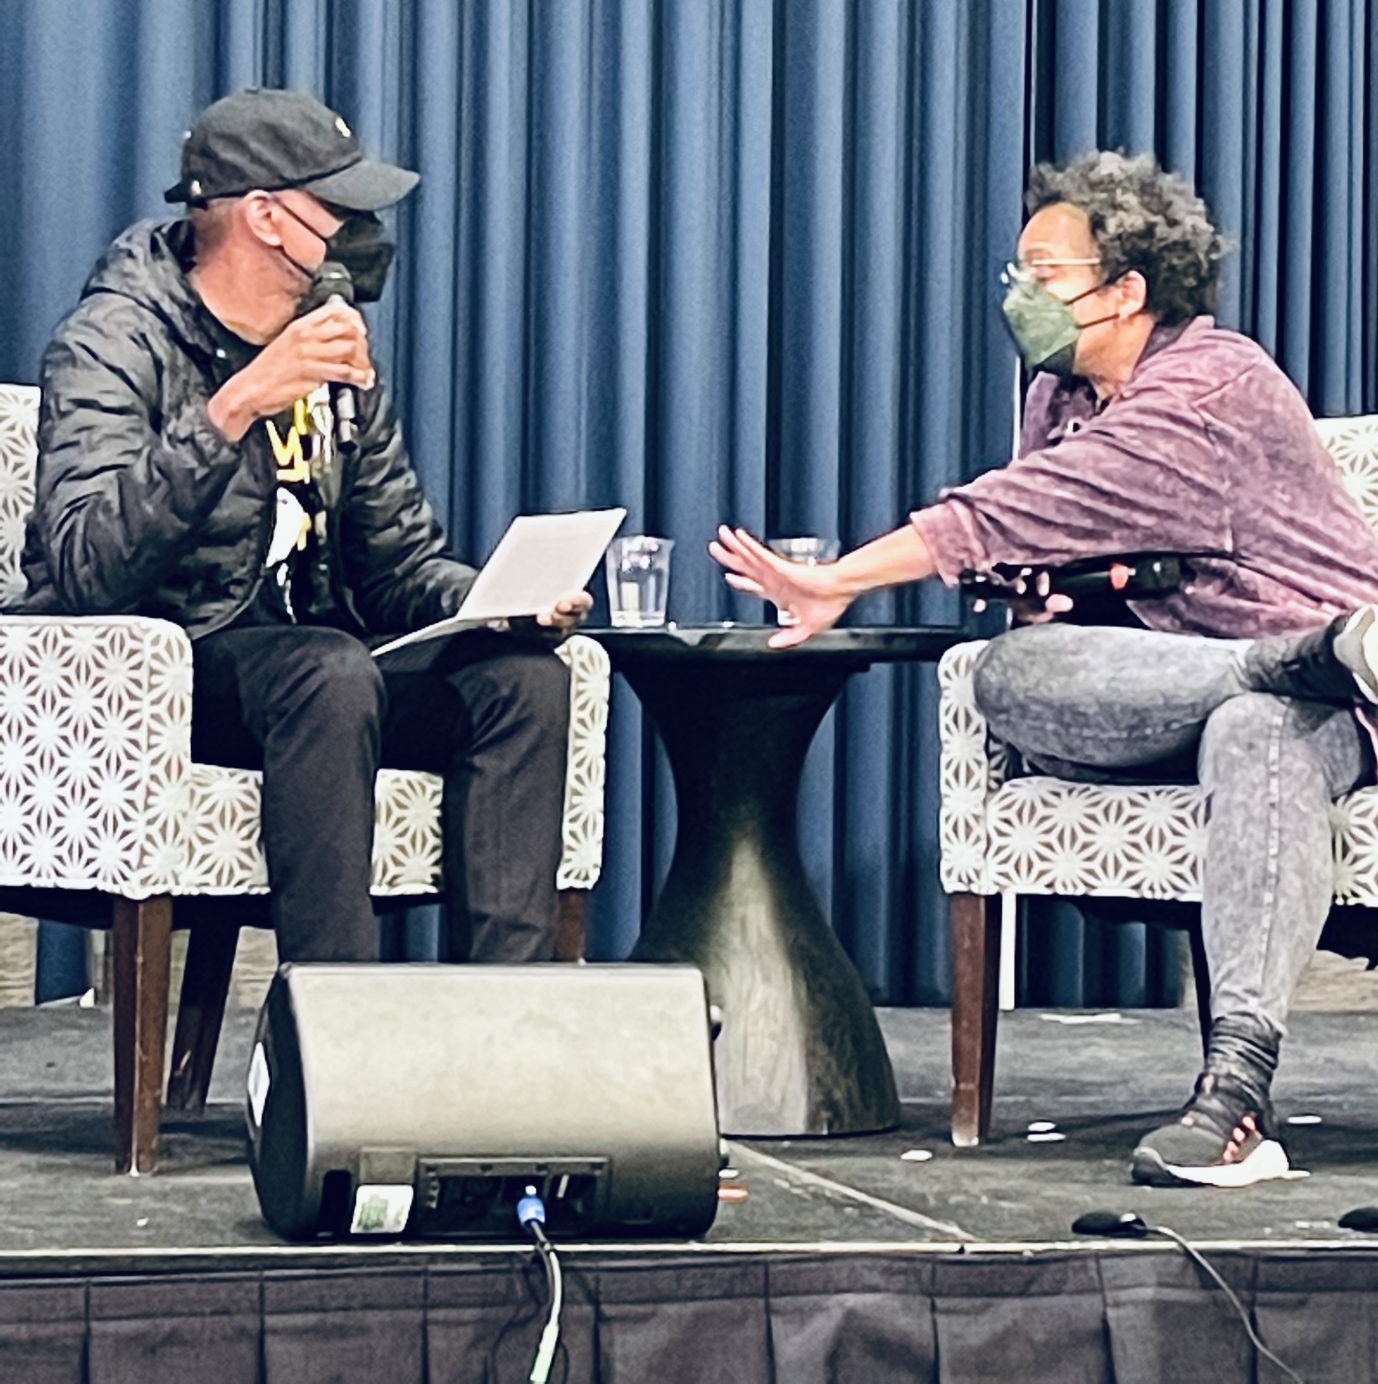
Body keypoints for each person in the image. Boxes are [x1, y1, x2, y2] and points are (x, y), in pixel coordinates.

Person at [711, 149, 1378, 1189]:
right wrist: (1052, 592)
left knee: (1254, 727)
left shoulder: (1214, 383)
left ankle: (1234, 1099)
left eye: (1045, 274)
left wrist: (842, 577)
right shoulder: (1058, 394)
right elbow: (1059, 539)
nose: (1019, 293)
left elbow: (1025, 507)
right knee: (1012, 674)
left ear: (1127, 291)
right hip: (1189, 681)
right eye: (1015, 271)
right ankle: (1300, 662)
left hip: (1333, 715)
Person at [23, 87, 591, 967]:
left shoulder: (330, 344)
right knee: (327, 670)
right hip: (166, 671)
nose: (360, 231)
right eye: (339, 207)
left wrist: (496, 603)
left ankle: (504, 1017)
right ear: (264, 217)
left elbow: (396, 565)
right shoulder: (112, 339)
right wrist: (233, 409)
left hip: (319, 678)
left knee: (519, 681)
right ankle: (331, 1017)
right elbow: (85, 564)